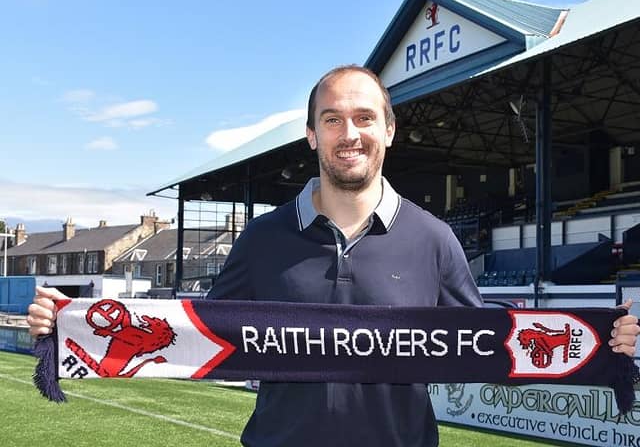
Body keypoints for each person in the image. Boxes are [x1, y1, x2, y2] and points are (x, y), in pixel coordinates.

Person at [28, 66, 640, 447]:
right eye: (333, 119)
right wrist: (68, 322)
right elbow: (190, 334)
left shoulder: (433, 239)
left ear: (389, 130)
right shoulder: (263, 239)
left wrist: (599, 341)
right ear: (312, 136)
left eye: (364, 117)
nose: (351, 133)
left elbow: (482, 341)